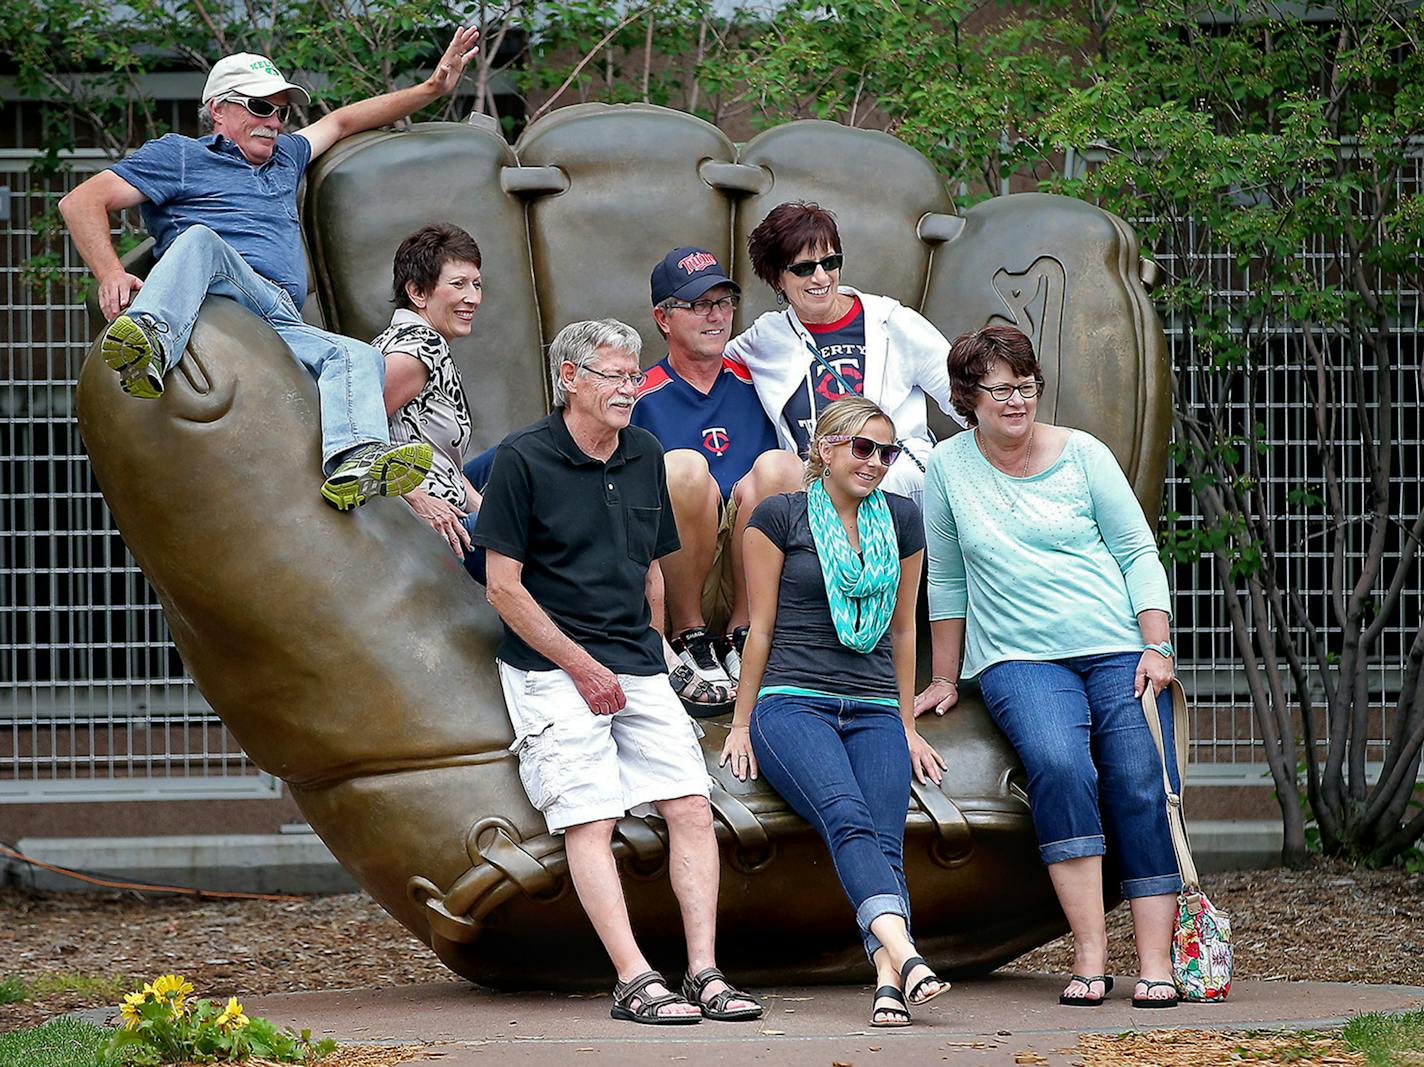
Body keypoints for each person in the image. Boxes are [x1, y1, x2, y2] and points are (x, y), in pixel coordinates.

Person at [473, 319, 763, 1026]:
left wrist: (655, 652)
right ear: (570, 378)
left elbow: (652, 570)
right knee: (590, 818)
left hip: (635, 659)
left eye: (635, 375)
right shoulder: (522, 459)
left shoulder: (644, 453)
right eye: (613, 375)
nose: (630, 387)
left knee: (693, 806)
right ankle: (635, 979)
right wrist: (580, 665)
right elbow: (503, 587)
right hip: (550, 666)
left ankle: (704, 972)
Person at [58, 30, 482, 510]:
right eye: (260, 108)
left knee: (360, 358)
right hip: (216, 295)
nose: (274, 122)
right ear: (219, 109)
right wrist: (110, 272)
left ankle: (354, 459)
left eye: (280, 111)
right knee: (201, 239)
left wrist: (431, 89)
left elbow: (341, 122)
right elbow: (80, 202)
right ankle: (148, 343)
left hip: (278, 315)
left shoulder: (286, 157)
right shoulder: (181, 155)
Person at [915, 324, 1182, 1010]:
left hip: (1116, 644)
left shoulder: (1083, 454)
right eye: (999, 389)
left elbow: (1136, 552)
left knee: (1139, 776)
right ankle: (1090, 953)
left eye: (1025, 385)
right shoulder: (946, 469)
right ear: (966, 397)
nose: (1015, 400)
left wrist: (1157, 646)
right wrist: (945, 676)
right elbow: (945, 582)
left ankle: (1157, 963)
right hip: (1018, 655)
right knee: (1061, 766)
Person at [720, 395, 949, 1028]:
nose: (876, 462)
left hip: (874, 704)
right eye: (863, 448)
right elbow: (759, 629)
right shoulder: (779, 517)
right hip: (792, 702)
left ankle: (888, 981)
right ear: (825, 449)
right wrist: (741, 723)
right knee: (847, 816)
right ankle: (905, 950)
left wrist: (904, 725)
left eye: (888, 451)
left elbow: (903, 631)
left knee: (885, 837)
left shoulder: (902, 518)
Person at [632, 247, 803, 700]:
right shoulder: (637, 394)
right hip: (679, 574)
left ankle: (746, 632)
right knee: (683, 468)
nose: (717, 316)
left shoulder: (763, 378)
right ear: (664, 318)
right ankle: (691, 636)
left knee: (782, 467)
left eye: (724, 302)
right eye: (698, 304)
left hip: (759, 570)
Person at [724, 201, 965, 504]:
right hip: (812, 495)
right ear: (775, 278)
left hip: (892, 482)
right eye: (803, 268)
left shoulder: (892, 322)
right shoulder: (766, 336)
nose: (821, 278)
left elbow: (964, 397)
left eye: (829, 262)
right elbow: (706, 366)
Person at [374, 223, 486, 583]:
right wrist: (418, 499)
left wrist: (489, 511)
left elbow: (448, 463)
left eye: (477, 284)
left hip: (452, 499)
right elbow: (357, 438)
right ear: (418, 292)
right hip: (433, 530)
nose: (473, 297)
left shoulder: (423, 341)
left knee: (527, 452)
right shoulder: (416, 351)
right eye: (458, 285)